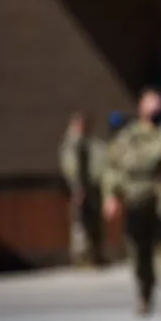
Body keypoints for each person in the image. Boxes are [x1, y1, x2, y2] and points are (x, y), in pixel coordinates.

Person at [103, 88, 161, 316]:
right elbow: (112, 169)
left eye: (157, 102)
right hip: (136, 202)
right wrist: (111, 197)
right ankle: (144, 294)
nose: (154, 107)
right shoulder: (128, 137)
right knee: (139, 253)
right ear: (140, 106)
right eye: (149, 102)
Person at [59, 112, 107, 268]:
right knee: (80, 225)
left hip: (93, 189)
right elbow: (71, 169)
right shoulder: (72, 145)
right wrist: (77, 189)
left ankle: (94, 255)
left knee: (94, 223)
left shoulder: (91, 143)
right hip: (79, 189)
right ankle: (82, 258)